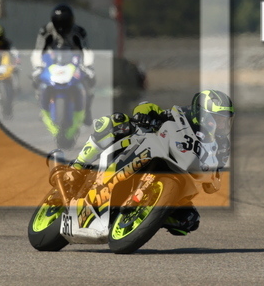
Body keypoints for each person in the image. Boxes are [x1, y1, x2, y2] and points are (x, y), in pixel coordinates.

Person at [68, 89, 234, 236]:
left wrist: (212, 178)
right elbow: (148, 107)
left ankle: (150, 214)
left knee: (189, 220)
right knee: (116, 121)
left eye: (225, 120)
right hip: (154, 150)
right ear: (203, 113)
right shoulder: (182, 115)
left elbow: (214, 180)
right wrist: (144, 115)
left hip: (182, 178)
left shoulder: (222, 146)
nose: (222, 125)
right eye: (218, 119)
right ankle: (78, 166)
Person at [31, 4, 95, 126]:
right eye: (59, 23)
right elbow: (38, 51)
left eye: (65, 23)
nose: (62, 28)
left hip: (74, 62)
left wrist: (88, 66)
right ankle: (42, 109)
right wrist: (37, 66)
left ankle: (87, 110)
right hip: (52, 62)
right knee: (38, 81)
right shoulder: (45, 31)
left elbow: (87, 50)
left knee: (88, 81)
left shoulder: (79, 31)